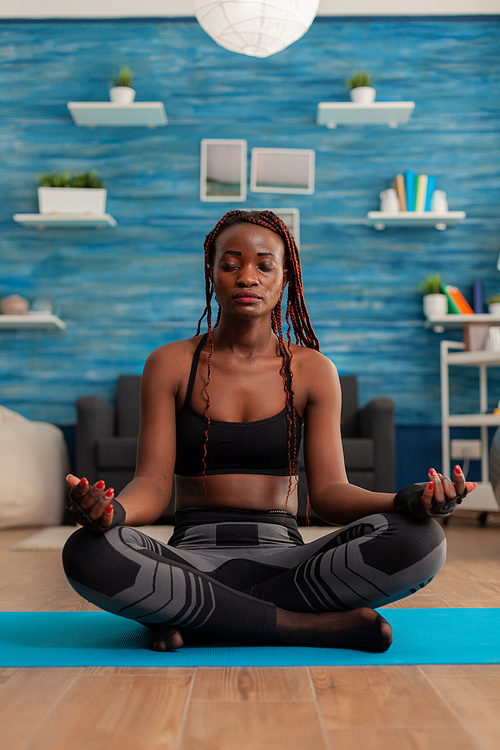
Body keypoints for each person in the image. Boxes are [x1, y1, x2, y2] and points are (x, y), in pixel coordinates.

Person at [62, 209, 475, 653]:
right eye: (231, 263)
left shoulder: (313, 371)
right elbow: (153, 484)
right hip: (189, 558)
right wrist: (113, 515)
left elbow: (332, 492)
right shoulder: (169, 364)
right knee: (88, 551)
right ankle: (305, 628)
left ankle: (200, 618)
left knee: (422, 539)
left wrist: (405, 500)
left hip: (288, 562)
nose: (247, 277)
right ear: (212, 273)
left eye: (264, 265)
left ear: (286, 279)